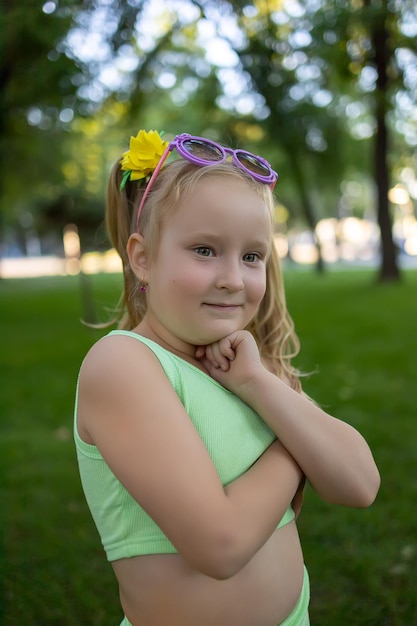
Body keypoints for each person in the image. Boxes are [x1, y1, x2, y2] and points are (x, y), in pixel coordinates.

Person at [74, 130, 380, 626]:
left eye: (252, 256)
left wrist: (260, 384)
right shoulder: (124, 366)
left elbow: (361, 484)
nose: (234, 279)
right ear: (142, 256)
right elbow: (221, 545)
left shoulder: (244, 370)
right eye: (204, 250)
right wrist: (293, 447)